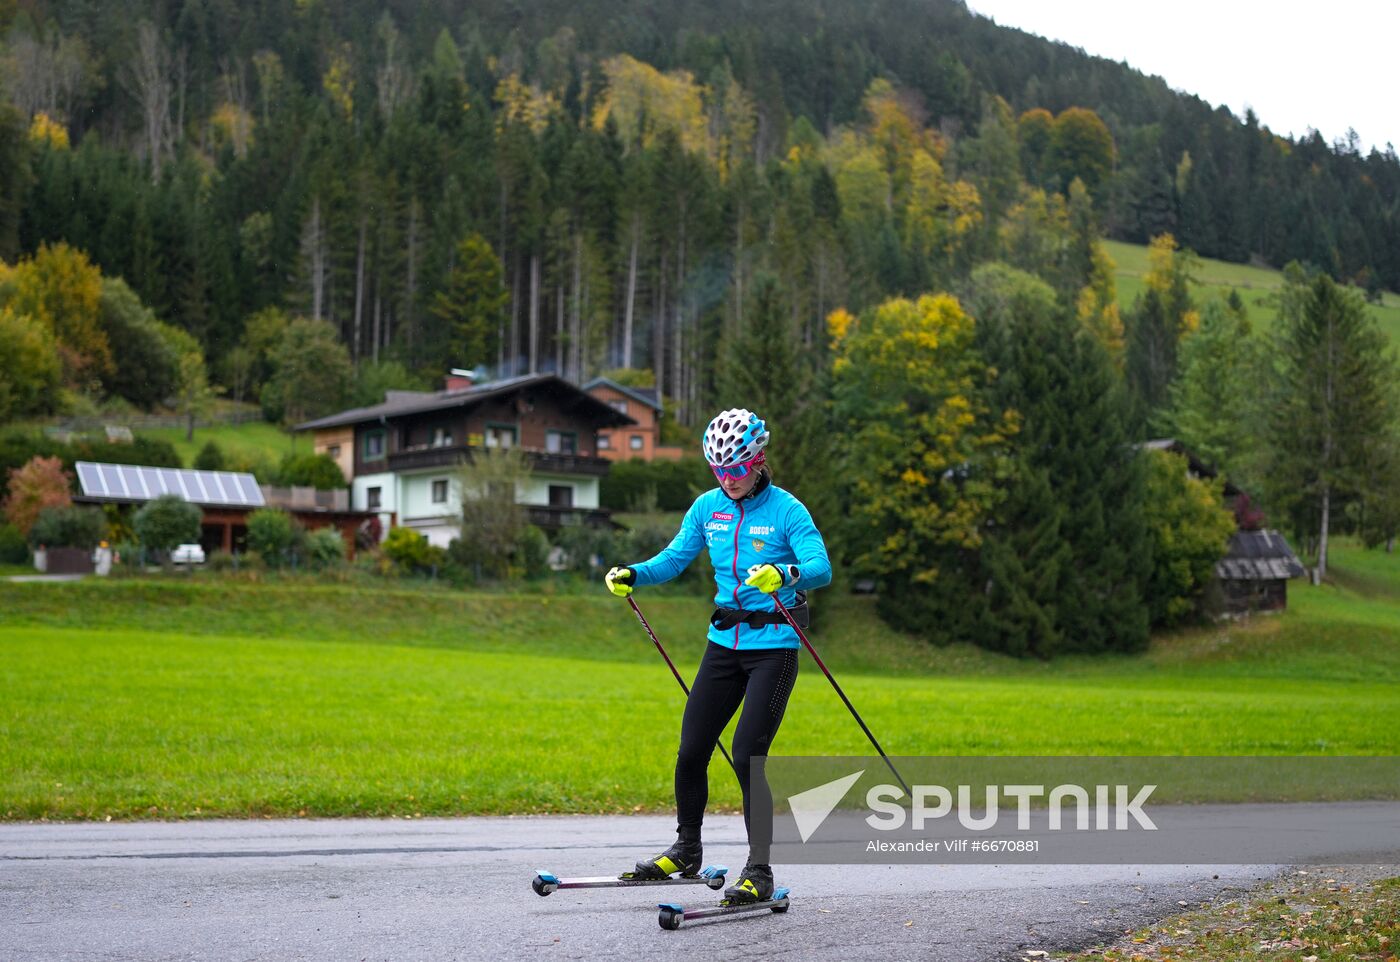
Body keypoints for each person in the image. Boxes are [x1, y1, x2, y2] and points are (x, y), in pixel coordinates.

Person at [604, 407, 831, 904]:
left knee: (749, 753)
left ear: (758, 459)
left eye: (736, 468)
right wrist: (633, 574)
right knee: (691, 751)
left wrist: (786, 574)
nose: (728, 479)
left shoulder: (787, 510)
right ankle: (687, 850)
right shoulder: (707, 507)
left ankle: (760, 871)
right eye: (718, 470)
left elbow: (821, 566)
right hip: (722, 646)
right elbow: (673, 559)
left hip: (773, 647)